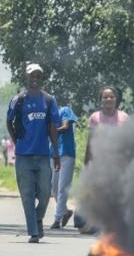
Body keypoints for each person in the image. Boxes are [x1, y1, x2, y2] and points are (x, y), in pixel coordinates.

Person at [6, 64, 61, 244]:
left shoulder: (49, 100)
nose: (35, 79)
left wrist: (56, 152)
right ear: (27, 78)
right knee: (27, 195)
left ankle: (38, 219)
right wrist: (16, 141)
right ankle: (34, 232)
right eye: (32, 76)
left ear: (41, 78)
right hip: (23, 157)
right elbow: (9, 121)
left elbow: (54, 126)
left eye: (38, 76)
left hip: (44, 155)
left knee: (45, 193)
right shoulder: (19, 99)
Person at [78, 86, 129, 233]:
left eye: (111, 96)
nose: (108, 99)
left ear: (116, 99)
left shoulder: (124, 118)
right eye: (105, 97)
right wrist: (87, 162)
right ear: (100, 100)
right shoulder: (95, 118)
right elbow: (91, 141)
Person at [49, 103, 78, 229]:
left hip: (66, 152)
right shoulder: (48, 114)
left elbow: (65, 126)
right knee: (53, 188)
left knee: (62, 187)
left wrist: (52, 131)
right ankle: (65, 211)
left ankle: (57, 219)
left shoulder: (65, 110)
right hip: (53, 153)